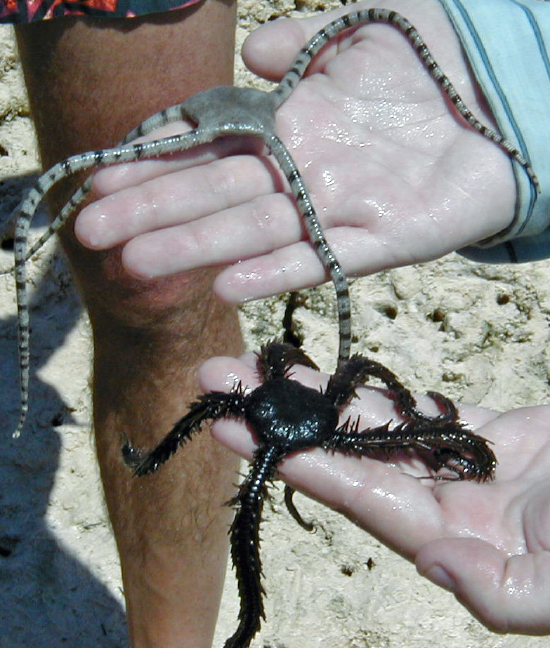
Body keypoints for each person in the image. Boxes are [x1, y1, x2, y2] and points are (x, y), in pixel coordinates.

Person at [7, 0, 550, 643]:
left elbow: (356, 366)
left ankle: (225, 632)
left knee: (180, 312)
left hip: (302, 406)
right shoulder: (283, 390)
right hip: (292, 403)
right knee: (133, 267)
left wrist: (515, 74)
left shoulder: (297, 397)